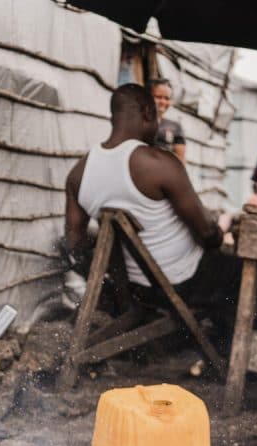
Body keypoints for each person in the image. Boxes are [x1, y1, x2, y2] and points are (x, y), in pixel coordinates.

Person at [64, 84, 237, 336]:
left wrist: (117, 268)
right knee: (245, 271)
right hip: (184, 283)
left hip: (133, 291)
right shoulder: (159, 163)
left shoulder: (77, 174)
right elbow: (208, 236)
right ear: (148, 112)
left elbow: (75, 245)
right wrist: (222, 227)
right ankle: (224, 352)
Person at [150, 78, 186, 163]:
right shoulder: (137, 122)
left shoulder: (175, 127)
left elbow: (180, 162)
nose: (163, 101)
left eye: (167, 98)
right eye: (158, 97)